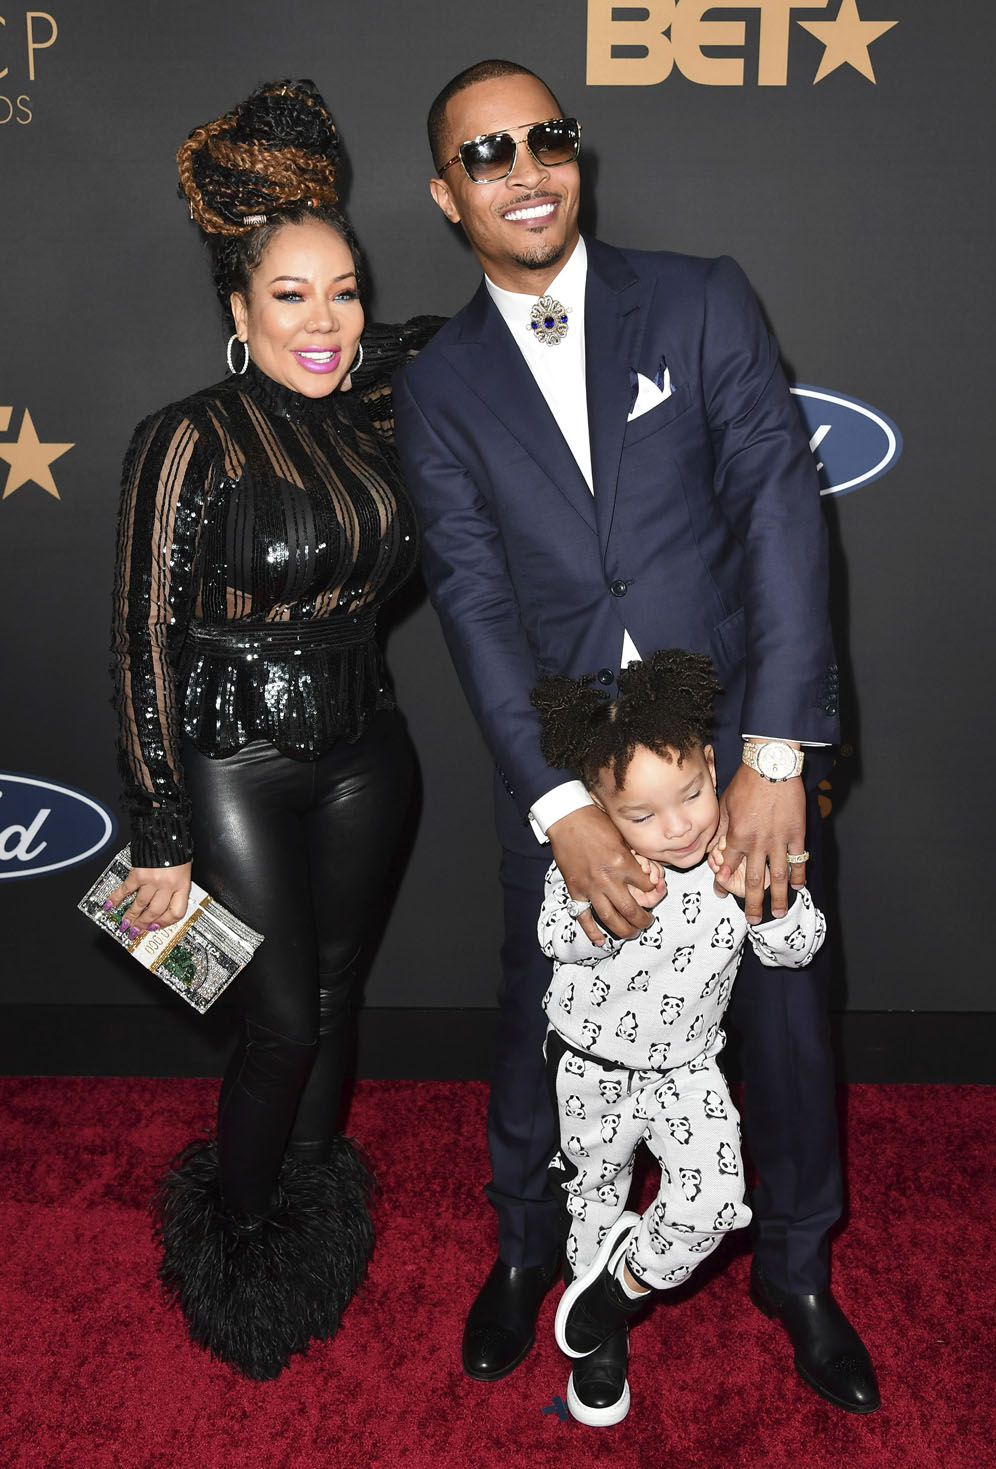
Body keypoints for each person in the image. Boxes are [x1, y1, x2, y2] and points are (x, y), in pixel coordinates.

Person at [393, 58, 879, 1413]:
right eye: (487, 154)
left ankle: (795, 1269)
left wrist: (777, 753)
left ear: (576, 154)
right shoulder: (435, 388)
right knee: (542, 1019)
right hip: (559, 776)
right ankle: (526, 1249)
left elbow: (784, 517)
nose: (525, 167)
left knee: (783, 1019)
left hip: (734, 758)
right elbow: (478, 607)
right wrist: (559, 802)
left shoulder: (702, 295)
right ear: (448, 195)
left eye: (544, 137)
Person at [109, 79, 437, 1380]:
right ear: (240, 309)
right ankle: (240, 1245)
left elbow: (505, 336)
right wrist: (158, 832)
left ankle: (310, 1195)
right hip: (230, 754)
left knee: (339, 993)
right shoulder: (183, 439)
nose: (325, 318)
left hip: (369, 749)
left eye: (343, 289)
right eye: (291, 293)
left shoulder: (381, 417)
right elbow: (139, 635)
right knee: (281, 1023)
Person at [531, 649, 825, 1424]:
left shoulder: (736, 848)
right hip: (591, 1066)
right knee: (593, 1200)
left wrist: (766, 899)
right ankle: (599, 1347)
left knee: (718, 1202)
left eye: (691, 793)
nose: (679, 824)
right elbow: (557, 937)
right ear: (600, 811)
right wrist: (610, 905)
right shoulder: (597, 863)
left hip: (689, 1069)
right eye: (642, 815)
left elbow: (798, 949)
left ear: (709, 762)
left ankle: (615, 1293)